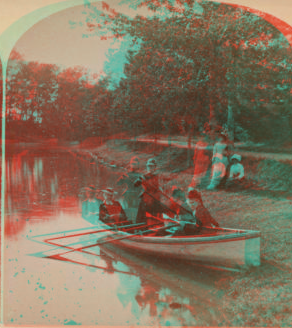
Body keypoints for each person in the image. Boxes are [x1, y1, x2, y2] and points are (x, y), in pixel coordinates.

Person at [134, 158, 163, 226]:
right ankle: (141, 230)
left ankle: (156, 229)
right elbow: (135, 184)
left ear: (155, 167)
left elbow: (161, 189)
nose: (150, 168)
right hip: (145, 200)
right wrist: (138, 180)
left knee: (155, 220)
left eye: (151, 166)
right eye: (148, 166)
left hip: (155, 200)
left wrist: (159, 190)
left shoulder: (158, 177)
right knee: (142, 219)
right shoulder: (143, 176)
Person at [117, 156, 142, 223]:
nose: (133, 166)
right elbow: (118, 183)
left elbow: (140, 186)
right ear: (130, 164)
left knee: (134, 214)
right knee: (125, 213)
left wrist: (139, 180)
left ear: (138, 165)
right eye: (132, 164)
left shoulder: (140, 175)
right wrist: (121, 178)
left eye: (135, 164)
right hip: (127, 195)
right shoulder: (127, 174)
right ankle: (126, 225)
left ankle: (133, 225)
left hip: (135, 196)